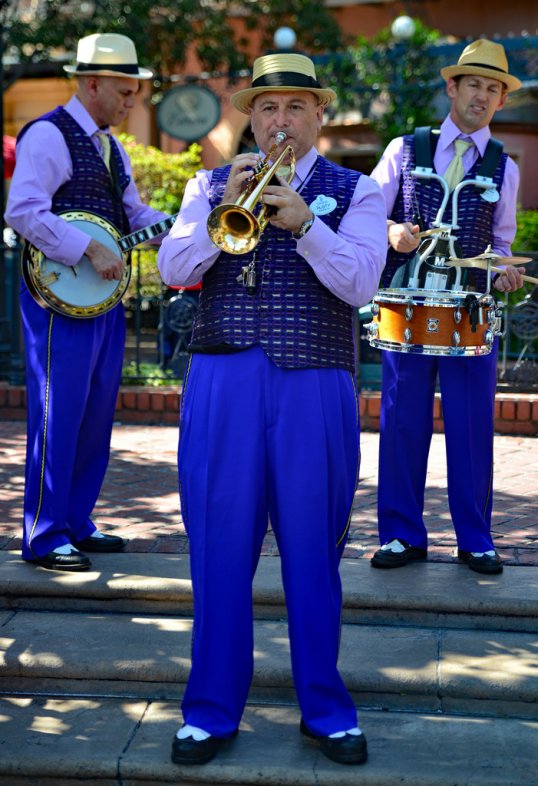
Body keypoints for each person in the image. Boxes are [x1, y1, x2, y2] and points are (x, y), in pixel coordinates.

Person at [158, 53, 387, 765]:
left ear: (320, 115)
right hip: (222, 380)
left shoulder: (359, 191)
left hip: (313, 384)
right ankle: (210, 709)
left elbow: (360, 284)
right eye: (265, 109)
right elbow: (172, 269)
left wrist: (304, 226)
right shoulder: (207, 185)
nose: (278, 122)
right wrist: (217, 210)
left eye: (293, 108)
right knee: (218, 547)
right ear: (249, 118)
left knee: (314, 551)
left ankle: (324, 707)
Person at [5, 33, 170, 572]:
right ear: (92, 83)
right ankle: (44, 534)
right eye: (124, 92)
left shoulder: (111, 146)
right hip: (57, 301)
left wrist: (189, 224)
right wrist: (87, 247)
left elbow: (133, 215)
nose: (131, 102)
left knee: (96, 416)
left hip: (101, 301)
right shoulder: (48, 135)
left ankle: (76, 521)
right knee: (59, 413)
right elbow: (24, 211)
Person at [369, 39, 525, 576]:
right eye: (473, 84)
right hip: (408, 305)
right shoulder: (404, 148)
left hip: (470, 312)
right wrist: (393, 232)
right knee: (402, 420)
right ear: (451, 87)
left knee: (472, 425)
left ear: (501, 100)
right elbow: (369, 215)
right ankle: (400, 535)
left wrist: (504, 270)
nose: (482, 96)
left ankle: (475, 538)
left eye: (493, 88)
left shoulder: (506, 166)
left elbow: (502, 242)